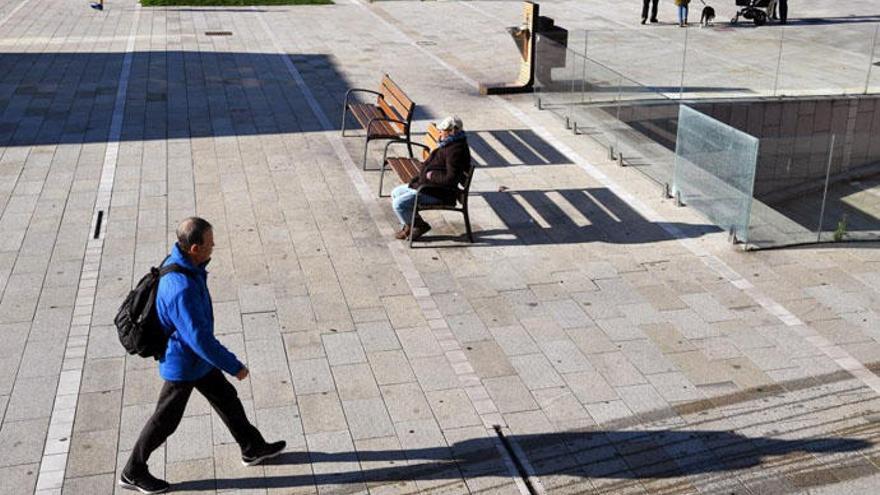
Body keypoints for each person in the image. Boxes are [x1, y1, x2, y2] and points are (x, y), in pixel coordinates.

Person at [119, 217, 286, 494]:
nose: (213, 246)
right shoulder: (181, 288)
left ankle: (252, 447)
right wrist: (235, 366)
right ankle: (133, 471)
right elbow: (200, 340)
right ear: (194, 248)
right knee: (165, 420)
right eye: (209, 243)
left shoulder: (183, 264)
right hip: (184, 363)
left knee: (227, 400)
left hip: (196, 361)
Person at [390, 116, 471, 241]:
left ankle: (419, 226)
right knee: (396, 192)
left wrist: (431, 175)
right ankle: (410, 225)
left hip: (439, 193)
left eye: (442, 130)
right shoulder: (450, 143)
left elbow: (451, 178)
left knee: (399, 204)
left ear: (452, 131)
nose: (439, 132)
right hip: (429, 186)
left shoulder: (455, 151)